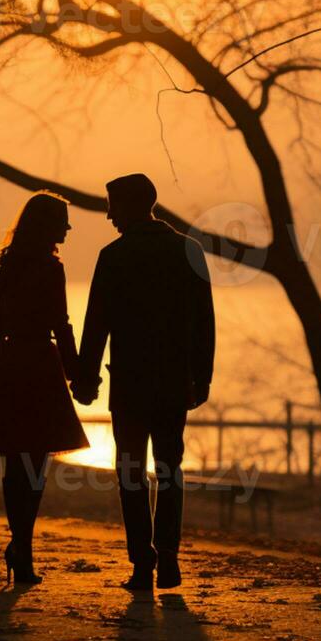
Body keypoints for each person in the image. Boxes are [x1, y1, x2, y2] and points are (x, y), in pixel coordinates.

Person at [73, 174, 215, 591]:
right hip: (174, 382)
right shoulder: (187, 250)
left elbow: (96, 322)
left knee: (131, 471)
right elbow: (204, 323)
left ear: (130, 206)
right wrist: (201, 378)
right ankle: (168, 558)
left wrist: (86, 377)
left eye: (112, 205)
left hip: (131, 384)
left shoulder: (114, 255)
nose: (108, 214)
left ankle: (142, 563)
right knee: (171, 468)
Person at [0, 191, 89, 585]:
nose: (68, 229)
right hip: (40, 367)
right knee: (34, 465)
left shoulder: (9, 266)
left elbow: (0, 325)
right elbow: (62, 324)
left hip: (10, 364)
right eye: (62, 222)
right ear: (47, 226)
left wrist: (5, 364)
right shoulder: (51, 269)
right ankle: (23, 548)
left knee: (13, 464)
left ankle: (20, 544)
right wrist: (76, 373)